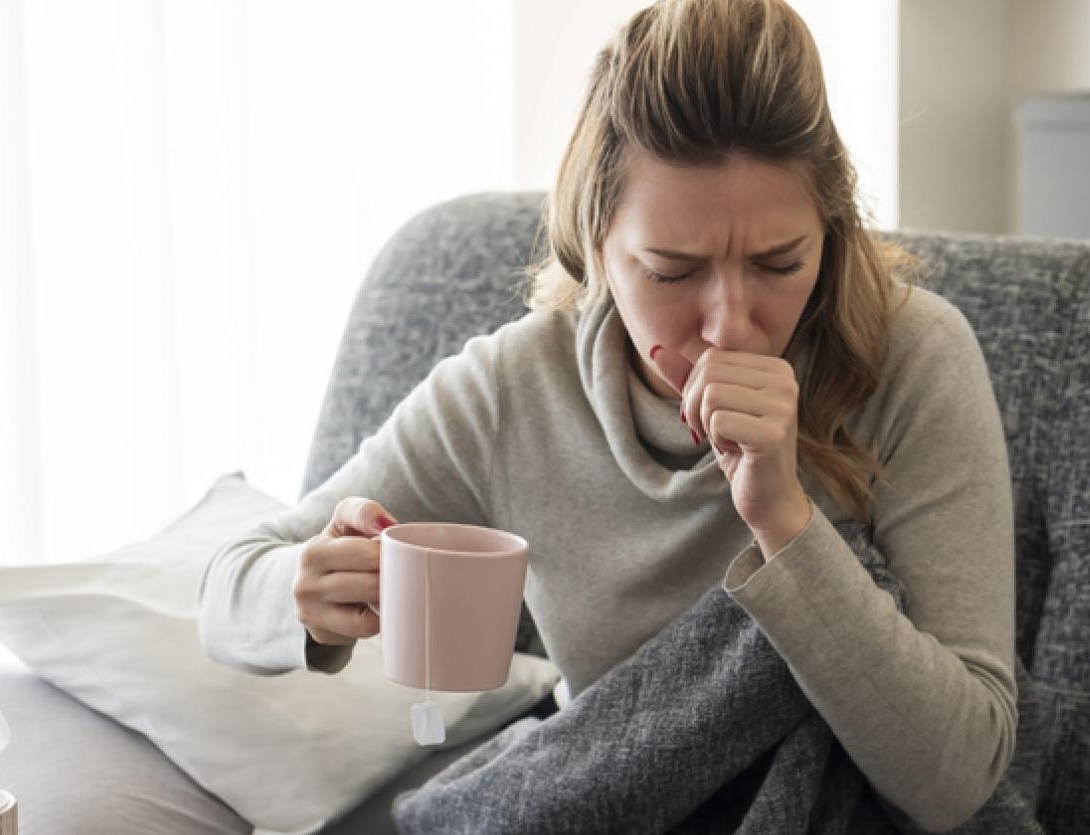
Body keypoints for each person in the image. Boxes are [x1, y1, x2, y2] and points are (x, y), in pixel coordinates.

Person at [199, 0, 1017, 830]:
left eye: (779, 262)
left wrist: (786, 523)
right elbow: (227, 585)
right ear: (593, 243)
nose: (729, 325)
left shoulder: (912, 359)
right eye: (671, 271)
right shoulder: (514, 389)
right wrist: (305, 593)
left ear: (832, 233)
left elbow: (958, 780)